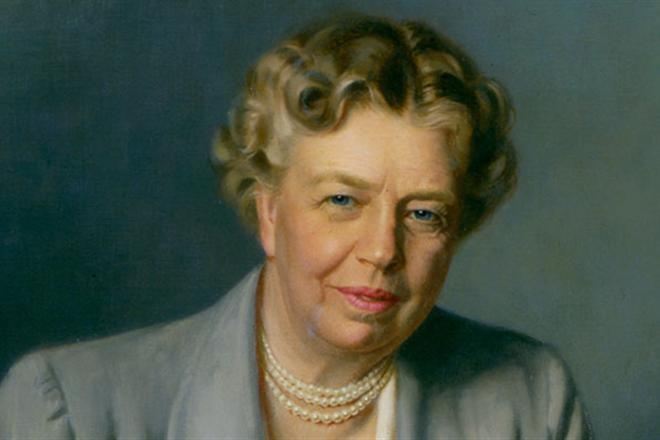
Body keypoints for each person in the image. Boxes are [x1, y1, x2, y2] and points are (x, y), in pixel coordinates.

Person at [0, 15, 591, 439]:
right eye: (342, 200)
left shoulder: (529, 402)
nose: (383, 250)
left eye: (423, 214)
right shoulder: (69, 410)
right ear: (269, 212)